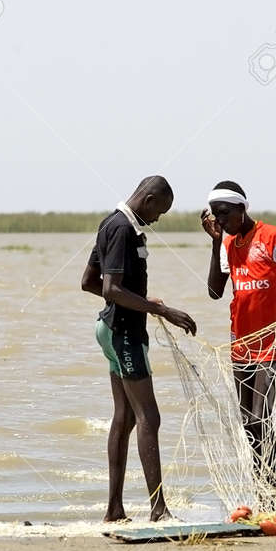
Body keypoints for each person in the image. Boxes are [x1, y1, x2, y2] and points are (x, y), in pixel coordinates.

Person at [81, 175, 197, 522]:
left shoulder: (110, 223)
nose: (158, 219)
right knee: (150, 417)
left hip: (111, 329)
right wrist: (162, 310)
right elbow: (110, 288)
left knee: (126, 416)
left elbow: (90, 282)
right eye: (159, 211)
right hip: (124, 333)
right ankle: (158, 510)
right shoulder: (122, 229)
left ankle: (115, 510)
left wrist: (143, 301)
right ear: (147, 199)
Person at [201, 180, 276, 509]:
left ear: (242, 209)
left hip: (272, 341)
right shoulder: (227, 241)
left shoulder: (274, 237)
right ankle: (259, 489)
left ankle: (268, 498)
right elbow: (215, 291)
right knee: (248, 423)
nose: (220, 220)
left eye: (225, 214)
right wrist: (217, 241)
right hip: (240, 342)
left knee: (262, 417)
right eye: (215, 216)